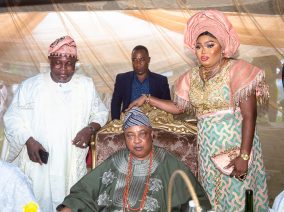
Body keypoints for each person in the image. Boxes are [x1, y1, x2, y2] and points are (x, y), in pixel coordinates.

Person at [127, 10, 269, 211]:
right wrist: (147, 98)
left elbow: (249, 116)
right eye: (199, 46)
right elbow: (178, 107)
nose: (203, 51)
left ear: (223, 47)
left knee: (238, 199)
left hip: (235, 148)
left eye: (210, 45)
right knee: (212, 199)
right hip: (207, 149)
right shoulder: (191, 77)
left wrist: (244, 156)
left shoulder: (238, 70)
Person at [1, 36, 109, 211]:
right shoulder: (30, 86)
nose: (64, 70)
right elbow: (12, 119)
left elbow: (100, 112)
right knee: (37, 201)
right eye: (58, 63)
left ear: (76, 63)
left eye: (69, 64)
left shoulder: (85, 85)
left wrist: (90, 129)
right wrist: (29, 141)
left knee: (69, 201)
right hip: (39, 162)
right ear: (50, 60)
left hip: (70, 159)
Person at [56, 107, 211, 211]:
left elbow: (196, 201)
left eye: (142, 134)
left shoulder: (167, 162)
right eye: (130, 135)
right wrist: (69, 207)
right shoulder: (117, 160)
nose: (136, 140)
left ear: (151, 135)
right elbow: (85, 192)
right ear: (125, 138)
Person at [110, 45, 171, 120]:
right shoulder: (122, 79)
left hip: (153, 123)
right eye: (134, 60)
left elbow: (167, 105)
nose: (138, 63)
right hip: (128, 121)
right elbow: (115, 104)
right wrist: (116, 123)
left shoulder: (160, 80)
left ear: (148, 60)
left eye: (142, 59)